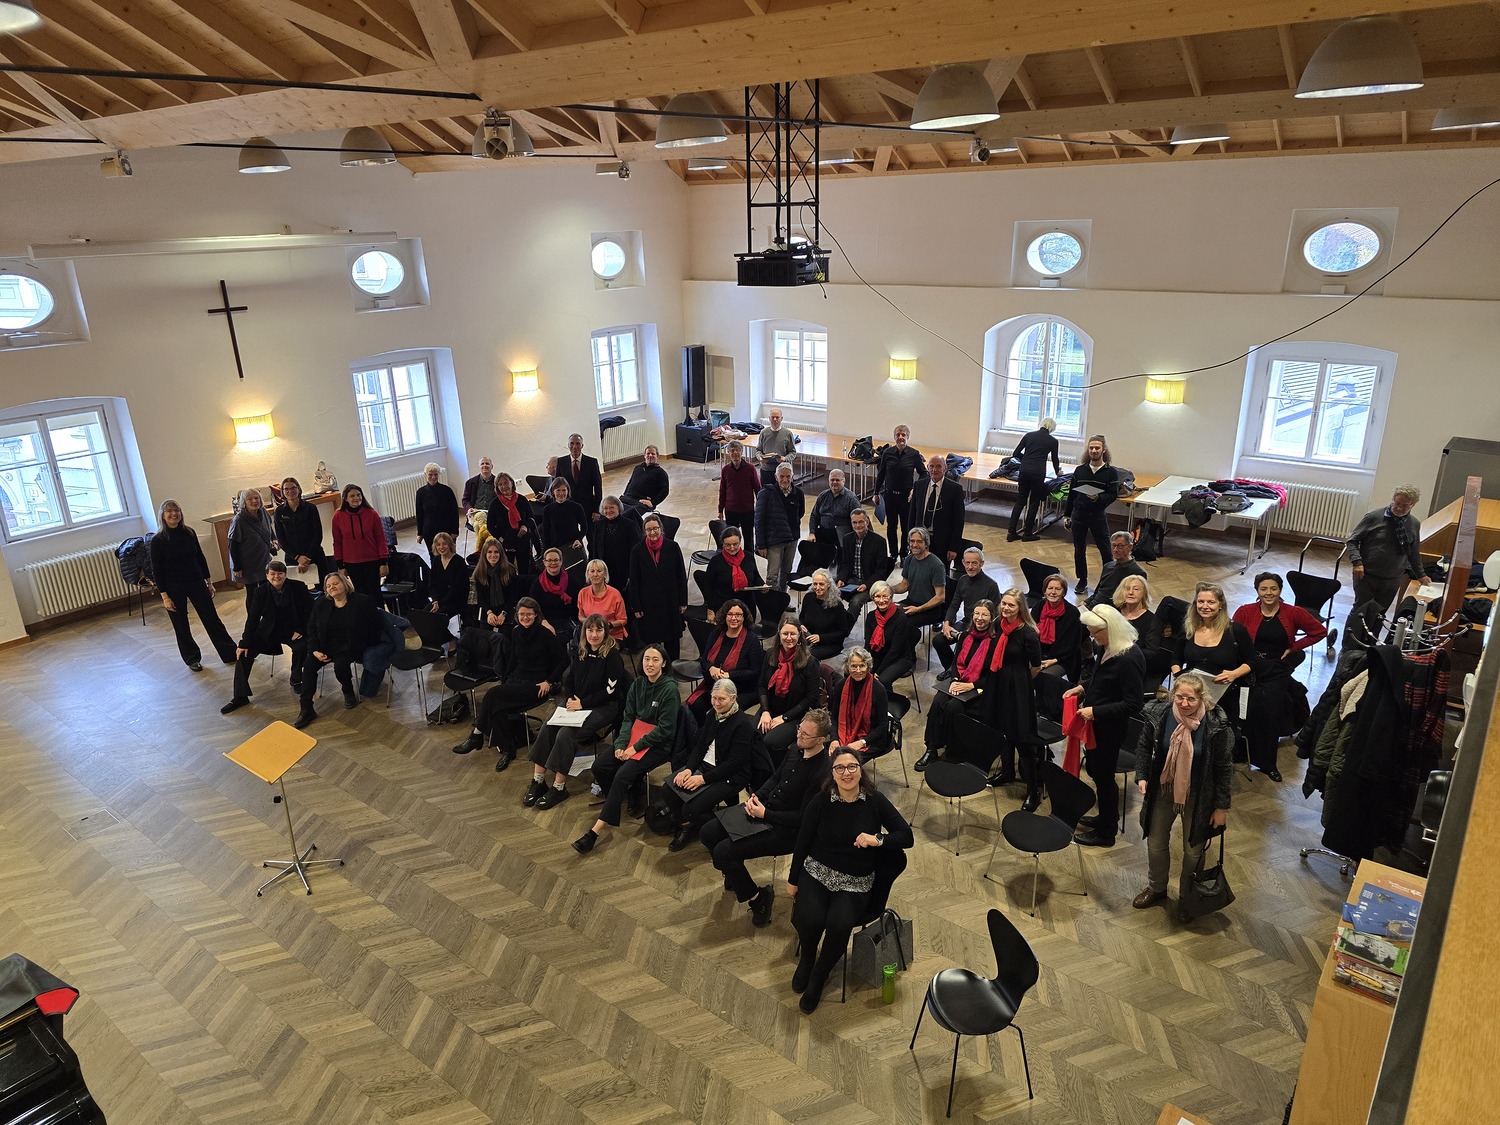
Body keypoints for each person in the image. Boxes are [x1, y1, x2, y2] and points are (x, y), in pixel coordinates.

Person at [787, 746, 913, 1012]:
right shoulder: (820, 801)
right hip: (818, 871)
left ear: (860, 770)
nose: (847, 773)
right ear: (832, 773)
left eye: (852, 767)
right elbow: (802, 841)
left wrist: (877, 839)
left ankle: (819, 975)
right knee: (809, 919)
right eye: (840, 768)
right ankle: (808, 958)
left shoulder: (875, 800)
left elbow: (906, 836)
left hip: (855, 880)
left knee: (839, 925)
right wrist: (793, 879)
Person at [699, 710, 832, 928]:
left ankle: (759, 899)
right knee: (708, 833)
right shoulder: (795, 749)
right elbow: (776, 777)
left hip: (786, 831)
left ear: (821, 740)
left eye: (806, 735)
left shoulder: (822, 773)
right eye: (799, 730)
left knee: (723, 852)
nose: (799, 736)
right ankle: (734, 871)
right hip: (765, 809)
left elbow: (803, 818)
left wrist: (765, 814)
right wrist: (757, 796)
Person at [1132, 673, 1233, 923]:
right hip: (1163, 789)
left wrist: (1221, 807)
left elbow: (1224, 768)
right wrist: (1142, 775)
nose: (1184, 703)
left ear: (1202, 698)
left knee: (1193, 851)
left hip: (1199, 795)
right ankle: (1157, 888)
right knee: (1155, 843)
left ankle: (1189, 897)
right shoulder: (1160, 715)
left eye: (1191, 699)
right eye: (1179, 697)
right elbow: (1143, 746)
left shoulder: (1216, 724)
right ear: (1172, 695)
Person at [574, 643, 682, 853]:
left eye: (655, 660)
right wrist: (621, 744)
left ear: (664, 664)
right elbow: (628, 717)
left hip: (658, 744)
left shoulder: (669, 690)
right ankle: (626, 793)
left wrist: (635, 748)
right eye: (647, 659)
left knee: (621, 775)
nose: (650, 664)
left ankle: (595, 832)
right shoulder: (637, 684)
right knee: (599, 766)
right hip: (634, 738)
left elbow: (665, 730)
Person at [523, 614, 627, 811]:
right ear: (584, 632)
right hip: (576, 702)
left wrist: (583, 703)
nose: (594, 634)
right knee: (549, 725)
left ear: (605, 632)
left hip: (603, 707)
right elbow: (570, 679)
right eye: (590, 630)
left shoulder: (612, 656)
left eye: (598, 630)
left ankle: (559, 787)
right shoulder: (581, 651)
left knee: (566, 734)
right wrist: (571, 699)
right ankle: (538, 780)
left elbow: (610, 691)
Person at [1232, 572, 1328, 781]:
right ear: (1257, 591)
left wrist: (1294, 647)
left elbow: (1320, 632)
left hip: (1276, 669)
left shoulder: (1293, 612)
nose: (1269, 593)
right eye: (1264, 589)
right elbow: (1233, 636)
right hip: (1249, 668)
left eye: (1273, 588)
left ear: (1280, 590)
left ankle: (1266, 763)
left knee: (1270, 714)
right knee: (1244, 711)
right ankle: (1240, 753)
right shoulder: (1245, 611)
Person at [452, 598, 567, 769]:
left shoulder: (545, 634)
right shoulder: (516, 632)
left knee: (493, 695)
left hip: (537, 685)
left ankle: (477, 735)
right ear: (517, 615)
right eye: (522, 614)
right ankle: (508, 748)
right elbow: (513, 659)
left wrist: (549, 681)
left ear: (536, 614)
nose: (525, 617)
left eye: (529, 614)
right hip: (516, 680)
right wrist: (504, 680)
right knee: (497, 704)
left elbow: (564, 660)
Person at [1066, 605, 1146, 848]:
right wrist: (1082, 688)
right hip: (1096, 726)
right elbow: (1101, 677)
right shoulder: (1107, 646)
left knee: (1104, 777)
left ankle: (1107, 832)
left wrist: (1096, 712)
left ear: (1110, 629)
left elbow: (1133, 703)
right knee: (1096, 772)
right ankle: (1104, 818)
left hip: (1110, 729)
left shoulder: (1129, 658)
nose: (1092, 637)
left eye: (1095, 632)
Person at [662, 678, 761, 852]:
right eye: (713, 698)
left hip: (731, 775)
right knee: (668, 790)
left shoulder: (742, 724)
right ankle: (688, 827)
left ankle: (722, 833)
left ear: (733, 698)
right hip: (706, 767)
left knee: (692, 809)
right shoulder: (712, 715)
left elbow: (734, 763)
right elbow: (701, 746)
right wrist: (689, 769)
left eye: (721, 699)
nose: (716, 703)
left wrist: (702, 779)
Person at [150, 498, 237, 671]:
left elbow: (200, 557)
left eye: (177, 510)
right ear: (163, 515)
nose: (174, 514)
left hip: (196, 581)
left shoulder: (189, 532)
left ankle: (229, 652)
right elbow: (156, 570)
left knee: (212, 618)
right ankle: (192, 659)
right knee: (181, 624)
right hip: (173, 587)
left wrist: (209, 581)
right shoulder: (157, 540)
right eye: (170, 511)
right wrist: (165, 597)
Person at [914, 599, 997, 771]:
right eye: (977, 614)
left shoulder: (995, 642)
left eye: (984, 615)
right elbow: (955, 664)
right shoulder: (965, 636)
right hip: (960, 682)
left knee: (953, 707)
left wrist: (971, 685)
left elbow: (993, 675)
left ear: (991, 618)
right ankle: (931, 748)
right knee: (937, 702)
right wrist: (955, 680)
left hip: (980, 689)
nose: (980, 618)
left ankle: (953, 750)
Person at [222, 559, 313, 713]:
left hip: (293, 631)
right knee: (243, 654)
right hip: (268, 632)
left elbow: (311, 612)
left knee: (302, 647)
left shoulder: (298, 587)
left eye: (280, 573)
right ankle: (240, 696)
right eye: (273, 574)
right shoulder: (260, 592)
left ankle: (296, 679)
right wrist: (244, 643)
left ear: (285, 574)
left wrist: (302, 630)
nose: (276, 577)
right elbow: (253, 619)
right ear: (266, 575)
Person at [294, 571, 382, 729]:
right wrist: (314, 650)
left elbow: (375, 627)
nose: (332, 587)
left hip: (351, 646)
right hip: (324, 646)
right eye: (328, 586)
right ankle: (306, 708)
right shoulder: (321, 603)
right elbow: (311, 628)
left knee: (340, 666)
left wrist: (364, 645)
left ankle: (348, 691)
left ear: (345, 584)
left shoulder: (362, 601)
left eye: (335, 583)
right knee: (308, 666)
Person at [1171, 581, 1255, 741]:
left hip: (1225, 697)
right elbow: (1176, 658)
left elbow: (1252, 661)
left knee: (1221, 740)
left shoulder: (1235, 630)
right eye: (1200, 601)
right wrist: (1179, 677)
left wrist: (1234, 674)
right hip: (1192, 698)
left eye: (1211, 602)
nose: (1205, 606)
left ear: (1220, 605)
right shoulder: (1189, 628)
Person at [1343, 485, 1425, 641]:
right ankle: (1349, 645)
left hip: (1392, 579)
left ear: (1412, 505)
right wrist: (1357, 562)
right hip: (1366, 575)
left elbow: (1413, 552)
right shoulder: (1373, 517)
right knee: (1361, 611)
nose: (1399, 508)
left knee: (1379, 614)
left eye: (1404, 506)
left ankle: (1370, 646)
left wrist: (1421, 575)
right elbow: (1352, 541)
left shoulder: (1414, 524)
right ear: (1393, 499)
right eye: (1397, 503)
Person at [988, 589, 1043, 804]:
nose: (1006, 608)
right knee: (1003, 731)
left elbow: (1036, 666)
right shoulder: (998, 624)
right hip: (999, 683)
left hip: (1018, 688)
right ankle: (1007, 771)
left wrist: (1020, 680)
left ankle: (1033, 791)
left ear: (1020, 608)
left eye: (1011, 605)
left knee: (1022, 738)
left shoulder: (1028, 633)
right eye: (1004, 603)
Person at [684, 598, 763, 720]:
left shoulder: (751, 639)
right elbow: (704, 661)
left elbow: (755, 672)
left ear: (744, 617)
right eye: (730, 614)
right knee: (697, 705)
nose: (733, 618)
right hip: (716, 685)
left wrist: (729, 675)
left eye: (738, 615)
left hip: (742, 688)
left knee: (721, 711)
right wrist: (711, 668)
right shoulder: (716, 634)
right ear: (724, 616)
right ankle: (701, 732)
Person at [757, 616, 823, 751]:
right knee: (752, 733)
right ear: (779, 634)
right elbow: (762, 685)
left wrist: (784, 717)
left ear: (799, 635)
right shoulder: (770, 654)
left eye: (792, 634)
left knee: (771, 741)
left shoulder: (810, 662)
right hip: (771, 709)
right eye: (785, 634)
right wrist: (765, 711)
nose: (788, 638)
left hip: (797, 715)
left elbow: (811, 698)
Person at [628, 513, 688, 659]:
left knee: (672, 643)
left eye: (655, 528)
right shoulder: (637, 550)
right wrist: (636, 606)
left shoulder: (672, 546)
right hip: (649, 604)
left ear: (661, 528)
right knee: (652, 644)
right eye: (649, 529)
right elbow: (634, 581)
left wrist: (683, 601)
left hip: (670, 601)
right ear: (644, 531)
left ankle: (671, 669)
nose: (652, 532)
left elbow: (681, 575)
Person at [1065, 435, 1119, 595]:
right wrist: (1067, 515)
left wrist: (1098, 498)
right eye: (1091, 448)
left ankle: (1106, 583)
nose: (1094, 451)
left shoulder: (1111, 472)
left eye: (1097, 448)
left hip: (1098, 516)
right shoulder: (1080, 470)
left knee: (1106, 551)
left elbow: (1113, 495)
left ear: (1104, 450)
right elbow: (1071, 494)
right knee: (1079, 550)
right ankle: (1082, 580)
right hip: (1079, 515)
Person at [933, 546, 1000, 669]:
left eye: (974, 563)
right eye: (967, 563)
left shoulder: (991, 585)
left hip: (982, 626)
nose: (970, 567)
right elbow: (954, 604)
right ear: (963, 562)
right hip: (967, 622)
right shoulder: (962, 580)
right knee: (938, 641)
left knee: (965, 643)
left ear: (981, 564)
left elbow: (995, 616)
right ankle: (951, 669)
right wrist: (946, 623)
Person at [1032, 572, 1082, 720]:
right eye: (1050, 588)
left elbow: (1072, 645)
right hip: (1039, 655)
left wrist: (1053, 661)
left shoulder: (1072, 613)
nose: (1053, 592)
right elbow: (1031, 635)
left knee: (1043, 676)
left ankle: (1049, 711)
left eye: (1057, 589)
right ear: (1044, 590)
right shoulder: (1039, 607)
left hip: (1064, 659)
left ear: (1064, 592)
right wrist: (1036, 658)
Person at [828, 647, 891, 760]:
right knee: (826, 758)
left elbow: (883, 726)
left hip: (871, 740)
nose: (858, 670)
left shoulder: (878, 689)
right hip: (843, 735)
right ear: (848, 667)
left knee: (844, 760)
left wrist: (862, 742)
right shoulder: (840, 686)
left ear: (868, 666)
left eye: (862, 666)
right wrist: (834, 739)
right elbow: (834, 717)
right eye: (853, 666)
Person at [1007, 417, 1061, 542]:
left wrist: (1026, 458)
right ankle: (1027, 534)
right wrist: (1057, 472)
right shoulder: (1053, 441)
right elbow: (1055, 459)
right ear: (1052, 428)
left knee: (1020, 501)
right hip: (1038, 473)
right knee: (1034, 502)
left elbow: (1015, 453)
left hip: (1024, 471)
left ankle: (1011, 532)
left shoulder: (1029, 435)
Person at [874, 424, 924, 559]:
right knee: (891, 527)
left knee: (906, 528)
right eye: (898, 435)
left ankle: (904, 554)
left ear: (908, 437)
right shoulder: (887, 453)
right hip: (890, 496)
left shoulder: (914, 454)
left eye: (903, 435)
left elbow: (924, 473)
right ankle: (893, 554)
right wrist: (876, 493)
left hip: (906, 498)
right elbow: (881, 474)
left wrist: (915, 489)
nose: (900, 437)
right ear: (894, 437)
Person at [331, 483, 387, 597]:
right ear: (345, 498)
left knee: (375, 593)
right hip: (351, 563)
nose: (356, 498)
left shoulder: (372, 514)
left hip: (372, 560)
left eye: (358, 495)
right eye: (352, 496)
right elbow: (337, 542)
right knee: (360, 594)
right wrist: (340, 565)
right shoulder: (338, 516)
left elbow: (380, 538)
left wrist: (383, 562)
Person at [755, 462, 804, 591]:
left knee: (786, 573)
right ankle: (772, 601)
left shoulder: (798, 493)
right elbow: (759, 520)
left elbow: (800, 513)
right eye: (781, 476)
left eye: (788, 476)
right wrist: (761, 544)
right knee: (772, 575)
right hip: (774, 540)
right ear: (776, 477)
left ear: (792, 477)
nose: (785, 479)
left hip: (792, 539)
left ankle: (782, 598)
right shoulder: (765, 493)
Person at [907, 456, 965, 564]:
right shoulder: (919, 486)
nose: (934, 470)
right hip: (920, 540)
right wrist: (910, 540)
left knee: (940, 571)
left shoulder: (955, 489)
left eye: (939, 466)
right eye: (932, 466)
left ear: (945, 468)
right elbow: (912, 515)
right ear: (927, 468)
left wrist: (953, 547)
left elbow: (958, 521)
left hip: (942, 542)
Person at [702, 526, 765, 624]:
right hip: (724, 605)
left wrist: (763, 585)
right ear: (723, 544)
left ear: (740, 541)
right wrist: (710, 609)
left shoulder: (749, 557)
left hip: (747, 605)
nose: (732, 548)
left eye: (735, 544)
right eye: (728, 545)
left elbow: (756, 576)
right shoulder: (716, 561)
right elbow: (708, 587)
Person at [864, 581, 918, 691]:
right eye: (877, 596)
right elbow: (868, 646)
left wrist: (878, 672)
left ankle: (887, 701)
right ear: (873, 598)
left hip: (899, 658)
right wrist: (868, 666)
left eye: (885, 596)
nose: (881, 600)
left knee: (883, 681)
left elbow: (895, 650)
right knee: (857, 673)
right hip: (878, 656)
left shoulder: (900, 618)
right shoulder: (870, 617)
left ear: (891, 597)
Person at [228, 487, 278, 606]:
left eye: (256, 498)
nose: (254, 501)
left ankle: (268, 614)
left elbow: (268, 527)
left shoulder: (263, 512)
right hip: (248, 564)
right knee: (253, 593)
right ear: (243, 502)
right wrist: (237, 567)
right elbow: (233, 545)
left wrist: (274, 539)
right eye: (249, 499)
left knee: (266, 589)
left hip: (263, 559)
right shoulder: (238, 520)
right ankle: (253, 616)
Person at [273, 477, 329, 582]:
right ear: (282, 492)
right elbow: (281, 538)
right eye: (286, 489)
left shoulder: (311, 508)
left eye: (293, 488)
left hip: (314, 555)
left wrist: (307, 557)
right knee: (297, 589)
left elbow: (318, 534)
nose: (290, 491)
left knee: (323, 587)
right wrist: (297, 557)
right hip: (292, 558)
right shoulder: (279, 511)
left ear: (298, 489)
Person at [889, 527, 946, 628]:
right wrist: (888, 589)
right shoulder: (909, 559)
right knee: (886, 616)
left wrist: (918, 609)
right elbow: (905, 585)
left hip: (930, 609)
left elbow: (940, 597)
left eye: (919, 541)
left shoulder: (937, 565)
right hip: (911, 602)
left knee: (901, 624)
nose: (915, 545)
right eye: (912, 541)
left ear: (926, 544)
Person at [837, 507, 888, 619]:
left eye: (861, 522)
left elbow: (881, 571)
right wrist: (841, 578)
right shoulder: (847, 539)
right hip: (851, 580)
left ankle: (846, 626)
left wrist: (866, 584)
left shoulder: (879, 541)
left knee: (855, 602)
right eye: (854, 522)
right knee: (832, 596)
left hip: (869, 582)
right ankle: (835, 623)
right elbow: (845, 563)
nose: (858, 525)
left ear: (867, 522)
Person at [589, 496, 640, 604]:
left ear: (618, 508)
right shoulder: (598, 525)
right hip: (605, 570)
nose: (608, 511)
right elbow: (595, 549)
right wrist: (593, 568)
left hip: (623, 570)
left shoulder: (630, 525)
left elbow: (636, 551)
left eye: (611, 507)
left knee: (623, 599)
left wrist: (632, 572)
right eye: (605, 508)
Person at [486, 472, 538, 574]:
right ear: (497, 487)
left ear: (511, 483)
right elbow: (490, 526)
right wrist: (501, 539)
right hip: (506, 541)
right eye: (500, 484)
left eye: (506, 483)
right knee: (507, 571)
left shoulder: (522, 499)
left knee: (524, 569)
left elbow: (531, 518)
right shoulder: (495, 504)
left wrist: (525, 526)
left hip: (522, 539)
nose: (503, 486)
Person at [718, 440, 762, 553]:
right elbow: (722, 490)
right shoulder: (725, 470)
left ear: (742, 452)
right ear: (728, 453)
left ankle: (749, 560)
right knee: (731, 539)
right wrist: (720, 510)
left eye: (737, 450)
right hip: (731, 510)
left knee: (749, 539)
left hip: (747, 510)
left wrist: (760, 508)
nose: (735, 453)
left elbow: (757, 488)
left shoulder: (750, 468)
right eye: (732, 451)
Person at [799, 569, 852, 660]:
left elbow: (843, 632)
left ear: (829, 584)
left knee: (806, 657)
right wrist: (801, 625)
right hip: (809, 638)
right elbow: (801, 618)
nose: (817, 587)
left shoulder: (837, 605)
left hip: (829, 643)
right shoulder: (808, 597)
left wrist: (820, 638)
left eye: (821, 584)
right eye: (815, 584)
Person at [1086, 531, 1147, 609]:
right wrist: (1085, 602)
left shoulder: (1138, 573)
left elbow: (1133, 603)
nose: (1115, 550)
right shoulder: (1108, 566)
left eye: (1120, 546)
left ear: (1130, 547)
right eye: (1113, 545)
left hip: (1110, 612)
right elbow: (1098, 592)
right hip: (1093, 607)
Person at [466, 537, 513, 632]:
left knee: (504, 634)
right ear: (484, 554)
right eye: (489, 552)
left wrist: (503, 613)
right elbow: (481, 597)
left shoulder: (510, 570)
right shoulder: (479, 572)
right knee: (485, 636)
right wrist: (489, 613)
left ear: (501, 554)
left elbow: (513, 596)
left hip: (506, 609)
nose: (493, 555)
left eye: (496, 552)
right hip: (487, 610)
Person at [577, 559, 628, 643]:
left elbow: (623, 620)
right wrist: (591, 623)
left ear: (605, 574)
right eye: (592, 571)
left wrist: (607, 625)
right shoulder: (582, 593)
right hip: (591, 636)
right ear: (588, 574)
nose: (595, 574)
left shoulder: (615, 594)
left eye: (599, 571)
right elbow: (581, 616)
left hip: (611, 635)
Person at [414, 463, 459, 557]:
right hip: (429, 530)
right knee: (433, 556)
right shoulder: (420, 492)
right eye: (430, 474)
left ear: (439, 474)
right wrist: (420, 533)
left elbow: (454, 512)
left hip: (446, 528)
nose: (433, 477)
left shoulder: (447, 490)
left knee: (450, 554)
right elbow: (419, 514)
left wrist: (455, 531)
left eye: (436, 474)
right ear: (425, 474)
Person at [808, 469, 859, 555]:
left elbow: (858, 519)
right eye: (832, 480)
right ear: (828, 481)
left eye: (837, 480)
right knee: (809, 555)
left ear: (843, 481)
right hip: (823, 533)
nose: (834, 482)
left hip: (841, 535)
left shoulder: (851, 499)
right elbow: (814, 515)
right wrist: (812, 533)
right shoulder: (823, 495)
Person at [530, 547, 577, 637]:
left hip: (568, 622)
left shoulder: (572, 581)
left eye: (556, 560)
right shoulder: (536, 584)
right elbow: (534, 608)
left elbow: (577, 606)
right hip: (545, 623)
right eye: (549, 560)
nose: (553, 563)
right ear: (544, 562)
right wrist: (543, 621)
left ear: (561, 561)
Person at [555, 433, 603, 521]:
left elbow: (598, 487)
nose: (575, 446)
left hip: (587, 506)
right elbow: (556, 486)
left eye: (578, 443)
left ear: (582, 445)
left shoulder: (592, 462)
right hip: (568, 505)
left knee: (589, 529)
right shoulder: (561, 462)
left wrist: (597, 510)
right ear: (568, 445)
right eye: (572, 443)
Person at [425, 531, 469, 623]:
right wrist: (435, 600)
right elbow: (431, 584)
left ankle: (444, 633)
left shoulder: (459, 562)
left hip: (455, 601)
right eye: (438, 544)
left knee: (436, 618)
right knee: (423, 615)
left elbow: (456, 589)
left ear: (450, 545)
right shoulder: (436, 560)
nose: (441, 547)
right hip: (439, 600)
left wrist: (439, 603)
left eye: (444, 544)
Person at [539, 477, 588, 554]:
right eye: (558, 490)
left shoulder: (577, 507)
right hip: (556, 548)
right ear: (553, 492)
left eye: (564, 490)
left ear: (568, 491)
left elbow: (584, 527)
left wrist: (579, 539)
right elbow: (546, 533)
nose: (561, 493)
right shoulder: (547, 510)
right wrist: (547, 551)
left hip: (574, 545)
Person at [620, 446, 670, 516]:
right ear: (644, 455)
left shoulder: (661, 473)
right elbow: (630, 482)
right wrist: (625, 494)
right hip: (627, 498)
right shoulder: (638, 468)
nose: (650, 455)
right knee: (611, 507)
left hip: (641, 502)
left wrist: (652, 503)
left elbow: (665, 491)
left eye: (653, 454)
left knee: (629, 514)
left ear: (657, 456)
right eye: (648, 453)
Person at [756, 407, 797, 485]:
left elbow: (793, 452)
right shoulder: (763, 433)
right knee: (766, 491)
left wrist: (785, 458)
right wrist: (760, 458)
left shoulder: (787, 434)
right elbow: (758, 450)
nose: (775, 419)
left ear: (781, 418)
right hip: (766, 470)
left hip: (783, 471)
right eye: (773, 417)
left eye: (777, 417)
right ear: (769, 418)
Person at [461, 456, 498, 522]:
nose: (484, 465)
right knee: (480, 520)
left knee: (482, 524)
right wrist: (469, 508)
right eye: (482, 464)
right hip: (476, 512)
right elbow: (465, 500)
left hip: (492, 513)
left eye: (487, 463)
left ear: (492, 466)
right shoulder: (470, 482)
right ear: (479, 466)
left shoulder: (497, 482)